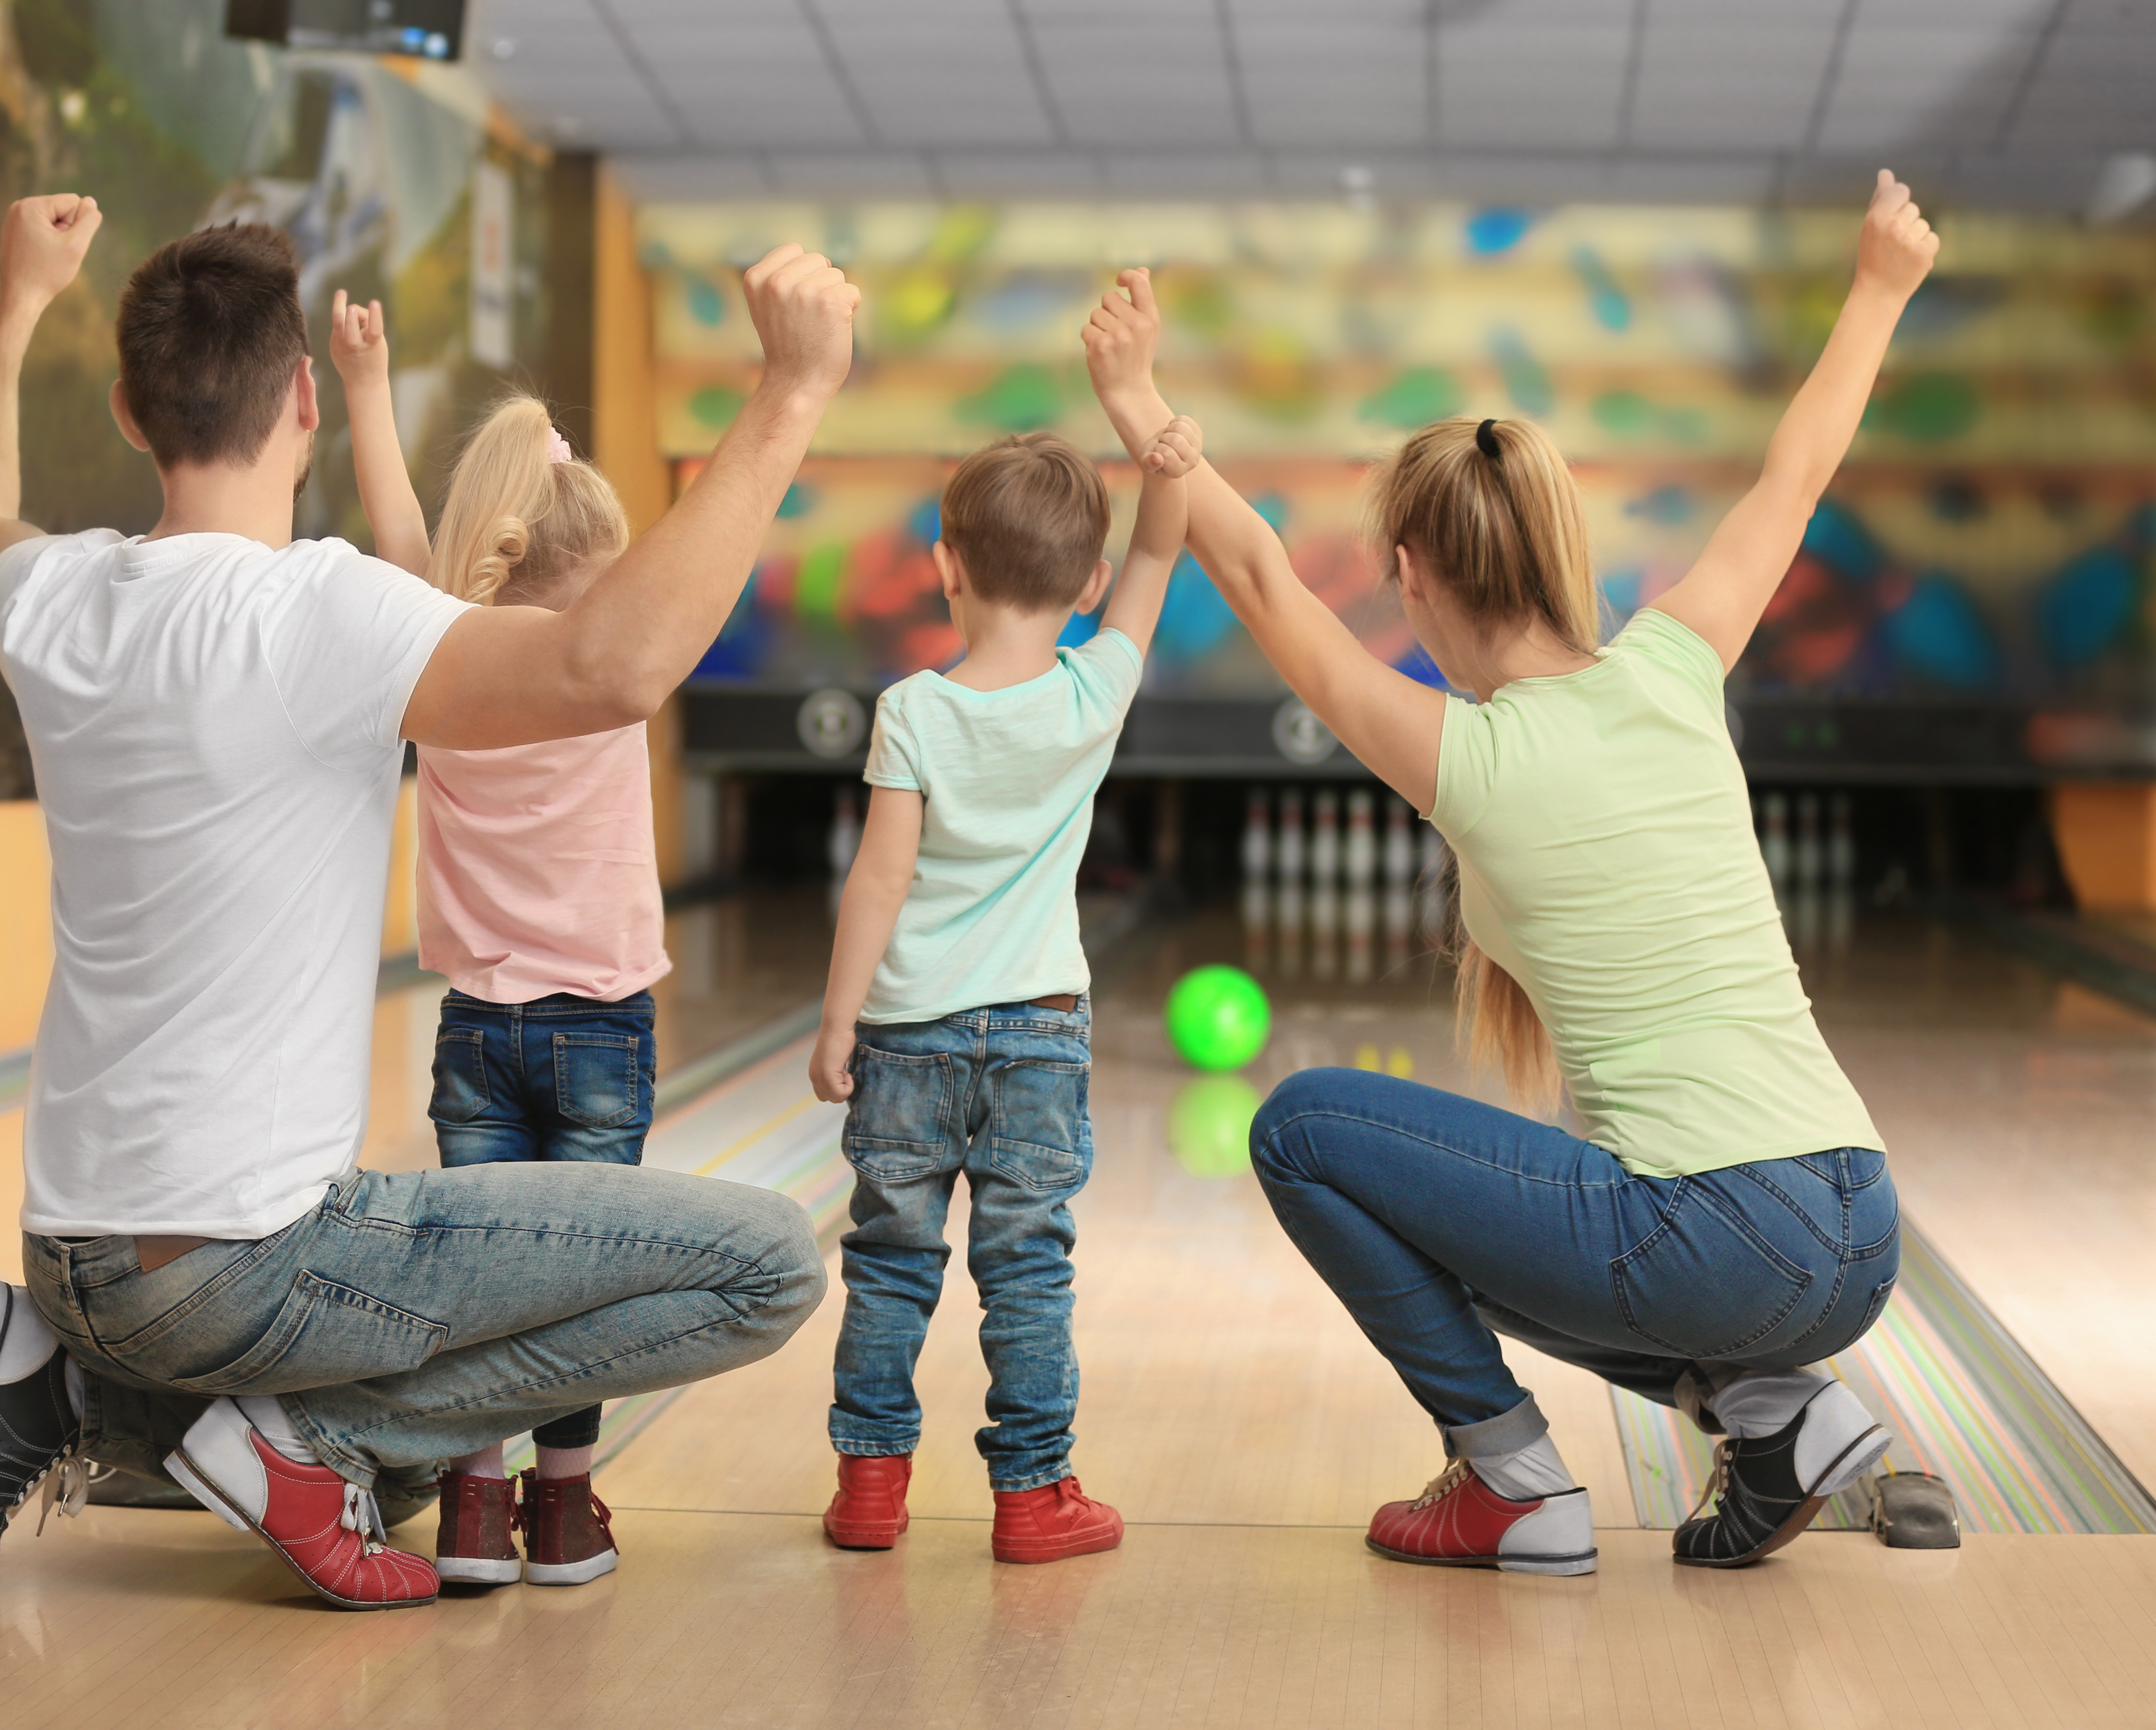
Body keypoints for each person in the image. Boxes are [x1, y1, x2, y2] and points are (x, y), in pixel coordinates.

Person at [0, 195, 856, 1609]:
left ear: (128, 410)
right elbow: (610, 670)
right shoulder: (326, 613)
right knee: (771, 1264)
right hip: (249, 1264)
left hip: (70, 1253)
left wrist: (15, 304)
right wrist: (794, 389)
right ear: (305, 398)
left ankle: (49, 1390)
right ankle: (309, 1445)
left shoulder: (60, 596)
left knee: (423, 1457)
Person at [1079, 174, 1938, 1575]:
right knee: (1495, 1212)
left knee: (1303, 1130)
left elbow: (1252, 575)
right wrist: (1880, 288)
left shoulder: (1466, 756)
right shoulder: (1674, 658)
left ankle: (1514, 1478)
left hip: (1714, 1235)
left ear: (1411, 573)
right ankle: (1773, 1410)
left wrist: (1137, 405)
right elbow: (1796, 474)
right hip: (1860, 1214)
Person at [806, 418, 1198, 1563]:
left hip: (906, 1037)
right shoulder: (1092, 696)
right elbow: (1158, 562)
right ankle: (1033, 1497)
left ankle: (871, 1487)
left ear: (946, 565)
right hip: (1041, 1037)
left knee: (888, 1264)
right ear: (1084, 580)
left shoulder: (912, 712)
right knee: (1027, 1270)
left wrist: (838, 1023)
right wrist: (1166, 474)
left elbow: (878, 880)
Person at [327, 292, 670, 1589]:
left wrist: (369, 387)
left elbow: (408, 541)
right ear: (610, 580)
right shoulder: (614, 663)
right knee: (578, 1280)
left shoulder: (444, 661)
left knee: (477, 1268)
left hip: (475, 1024)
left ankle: (472, 1510)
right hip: (601, 1024)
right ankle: (564, 1510)